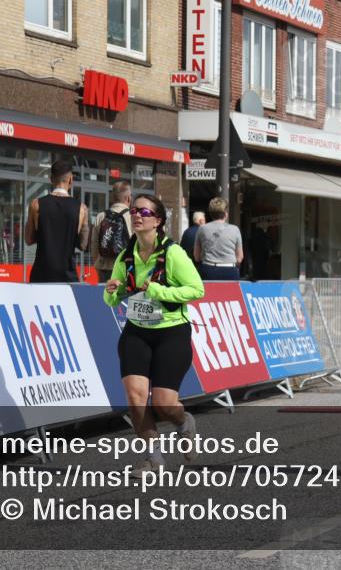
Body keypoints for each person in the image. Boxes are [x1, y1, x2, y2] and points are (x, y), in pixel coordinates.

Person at [103, 194, 205, 473]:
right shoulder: (126, 255)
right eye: (134, 210)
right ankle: (153, 458)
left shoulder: (173, 253)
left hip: (171, 332)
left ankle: (184, 423)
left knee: (163, 404)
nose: (137, 215)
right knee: (136, 397)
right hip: (137, 330)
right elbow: (114, 296)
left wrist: (157, 290)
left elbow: (197, 289)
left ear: (157, 220)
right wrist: (112, 290)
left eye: (144, 211)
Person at [25, 159, 90, 282]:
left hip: (41, 275)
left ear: (51, 179)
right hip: (68, 277)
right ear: (71, 179)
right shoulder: (81, 209)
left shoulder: (36, 205)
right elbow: (83, 244)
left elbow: (28, 239)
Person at [90, 180, 133, 283]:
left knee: (105, 297)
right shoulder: (132, 216)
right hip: (125, 268)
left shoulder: (101, 216)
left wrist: (97, 264)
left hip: (104, 268)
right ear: (128, 198)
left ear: (112, 198)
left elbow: (94, 244)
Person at [194, 197, 243, 280]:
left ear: (211, 213)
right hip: (230, 271)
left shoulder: (202, 229)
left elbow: (197, 256)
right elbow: (240, 257)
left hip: (208, 270)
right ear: (225, 213)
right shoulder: (235, 229)